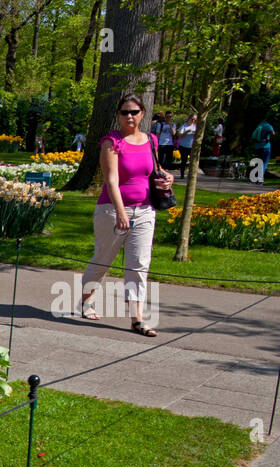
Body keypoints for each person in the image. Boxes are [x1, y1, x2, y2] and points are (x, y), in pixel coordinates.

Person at [75, 93, 171, 337]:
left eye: (134, 112)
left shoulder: (151, 140)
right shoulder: (112, 142)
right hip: (112, 210)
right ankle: (86, 300)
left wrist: (166, 176)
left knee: (138, 265)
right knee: (102, 260)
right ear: (118, 115)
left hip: (146, 210)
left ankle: (137, 319)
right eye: (125, 112)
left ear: (143, 114)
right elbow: (111, 180)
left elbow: (154, 169)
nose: (130, 116)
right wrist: (120, 212)